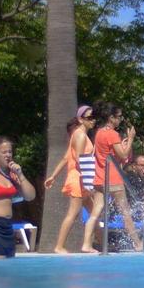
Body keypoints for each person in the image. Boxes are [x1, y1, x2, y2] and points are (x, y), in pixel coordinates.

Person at [81, 102, 144, 253]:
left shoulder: (99, 133)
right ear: (111, 118)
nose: (120, 120)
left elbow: (109, 154)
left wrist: (121, 145)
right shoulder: (112, 134)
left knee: (95, 212)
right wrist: (130, 139)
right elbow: (122, 157)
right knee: (125, 212)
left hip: (100, 178)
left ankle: (86, 244)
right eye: (119, 117)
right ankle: (138, 243)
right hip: (114, 179)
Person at [44, 106, 97, 253]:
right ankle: (59, 246)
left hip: (81, 179)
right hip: (79, 179)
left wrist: (53, 176)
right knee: (73, 214)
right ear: (81, 119)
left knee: (95, 213)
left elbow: (66, 158)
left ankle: (95, 243)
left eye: (94, 117)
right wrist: (89, 181)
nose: (93, 120)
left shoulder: (79, 134)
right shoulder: (80, 135)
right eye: (90, 117)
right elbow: (80, 160)